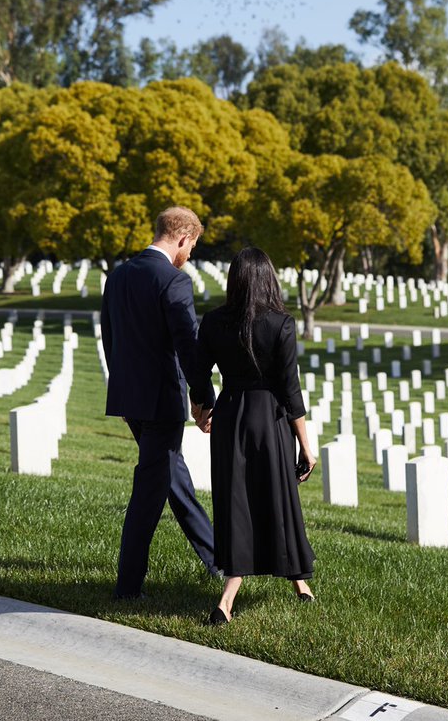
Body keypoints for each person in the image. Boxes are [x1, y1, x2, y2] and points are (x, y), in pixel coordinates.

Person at [100, 206, 220, 600]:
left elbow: (110, 339)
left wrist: (123, 394)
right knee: (148, 494)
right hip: (161, 403)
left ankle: (217, 559)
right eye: (193, 247)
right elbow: (188, 345)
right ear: (183, 237)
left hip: (131, 399)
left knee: (174, 480)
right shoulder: (173, 281)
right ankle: (128, 587)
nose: (190, 256)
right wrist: (205, 398)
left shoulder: (117, 276)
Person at [197, 246, 317, 625]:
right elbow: (290, 390)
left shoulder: (214, 321)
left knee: (236, 503)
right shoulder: (281, 324)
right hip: (270, 421)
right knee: (279, 499)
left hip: (231, 415)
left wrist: (202, 409)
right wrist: (306, 446)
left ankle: (229, 599)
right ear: (269, 279)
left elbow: (198, 372)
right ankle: (297, 580)